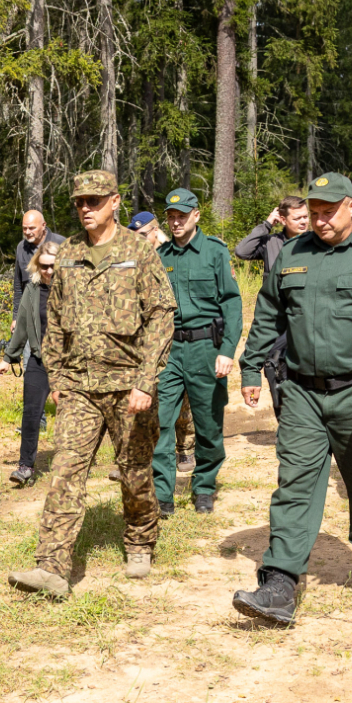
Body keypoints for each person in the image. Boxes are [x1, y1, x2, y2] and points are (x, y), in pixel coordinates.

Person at [232, 172, 352, 626]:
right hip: (300, 392)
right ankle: (279, 582)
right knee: (295, 484)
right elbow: (270, 312)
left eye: (328, 212)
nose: (319, 221)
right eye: (313, 213)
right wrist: (250, 364)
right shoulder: (293, 254)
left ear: (351, 206)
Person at [8, 170, 176, 599]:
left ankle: (140, 539)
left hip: (128, 385)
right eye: (80, 202)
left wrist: (145, 380)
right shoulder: (66, 255)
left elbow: (161, 315)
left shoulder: (139, 252)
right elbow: (57, 320)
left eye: (95, 201)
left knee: (135, 472)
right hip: (80, 386)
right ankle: (52, 566)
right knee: (65, 471)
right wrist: (60, 378)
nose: (86, 208)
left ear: (115, 202)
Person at [153, 187, 242, 516]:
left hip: (207, 347)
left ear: (196, 216)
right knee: (160, 422)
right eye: (171, 217)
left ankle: (204, 486)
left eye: (182, 216)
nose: (175, 222)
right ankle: (163, 493)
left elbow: (232, 303)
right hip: (169, 350)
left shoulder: (215, 252)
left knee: (207, 423)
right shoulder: (161, 257)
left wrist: (228, 350)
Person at [130, 211, 196, 472]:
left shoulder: (177, 256)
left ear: (156, 231)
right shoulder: (135, 261)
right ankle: (147, 454)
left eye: (143, 234)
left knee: (184, 401)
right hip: (147, 338)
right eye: (134, 235)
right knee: (149, 396)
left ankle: (186, 449)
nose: (138, 239)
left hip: (181, 337)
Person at [0, 239, 62, 487]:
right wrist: (8, 358)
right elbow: (22, 325)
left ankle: (74, 463)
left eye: (53, 266)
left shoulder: (71, 290)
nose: (48, 272)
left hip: (67, 363)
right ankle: (25, 466)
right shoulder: (33, 289)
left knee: (69, 412)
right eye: (44, 266)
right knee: (31, 413)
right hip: (38, 358)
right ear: (37, 266)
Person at [12, 209, 66, 329]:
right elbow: (18, 285)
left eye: (32, 228)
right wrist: (16, 317)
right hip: (28, 316)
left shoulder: (62, 244)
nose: (27, 232)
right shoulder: (21, 247)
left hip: (56, 316)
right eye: (24, 228)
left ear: (43, 226)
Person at [235, 195, 310, 272]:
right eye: (297, 218)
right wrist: (267, 225)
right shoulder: (270, 243)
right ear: (283, 220)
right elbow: (241, 252)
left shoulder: (316, 242)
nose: (303, 222)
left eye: (305, 217)